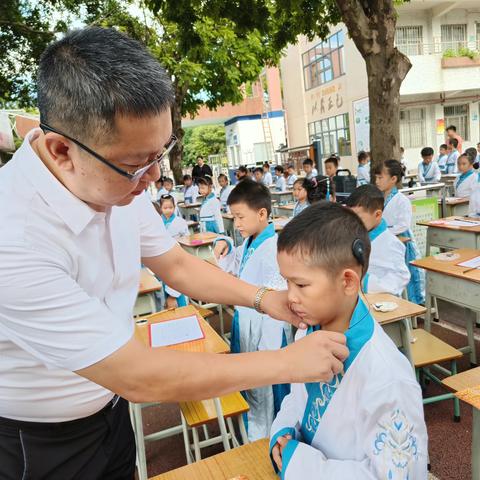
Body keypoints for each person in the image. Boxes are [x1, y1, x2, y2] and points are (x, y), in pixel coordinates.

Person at [0, 27, 351, 479]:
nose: (151, 178)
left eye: (160, 155)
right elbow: (138, 375)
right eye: (135, 165)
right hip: (39, 441)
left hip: (110, 412)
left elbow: (177, 264)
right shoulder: (14, 233)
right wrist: (288, 364)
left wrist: (267, 299)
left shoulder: (113, 181)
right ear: (62, 150)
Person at [270, 202, 427, 479]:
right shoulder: (309, 331)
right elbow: (298, 399)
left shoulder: (386, 377)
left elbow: (398, 475)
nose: (290, 297)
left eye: (301, 285)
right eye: (287, 283)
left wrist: (297, 462)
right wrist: (284, 431)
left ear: (348, 282)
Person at [213, 180, 293, 440]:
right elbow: (236, 260)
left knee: (265, 390)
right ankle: (253, 434)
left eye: (239, 217)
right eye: (233, 217)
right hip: (247, 322)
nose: (236, 224)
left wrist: (268, 351)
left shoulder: (272, 249)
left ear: (262, 214)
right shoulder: (252, 240)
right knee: (251, 386)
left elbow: (276, 300)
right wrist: (223, 241)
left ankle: (264, 439)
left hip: (264, 330)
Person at [346, 185, 410, 296]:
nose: (353, 223)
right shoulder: (357, 234)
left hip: (378, 302)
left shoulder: (391, 243)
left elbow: (401, 277)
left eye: (358, 218)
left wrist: (365, 283)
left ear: (377, 215)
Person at [375, 160, 424, 305]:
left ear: (393, 179)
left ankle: (411, 304)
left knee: (405, 272)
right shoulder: (379, 199)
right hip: (385, 239)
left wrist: (384, 232)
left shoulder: (402, 200)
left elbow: (403, 225)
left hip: (400, 240)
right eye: (376, 178)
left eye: (380, 177)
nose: (376, 181)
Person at [159, 194, 189, 308]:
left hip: (177, 255)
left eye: (170, 207)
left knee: (178, 284)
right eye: (165, 208)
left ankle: (183, 308)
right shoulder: (157, 222)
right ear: (160, 208)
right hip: (162, 258)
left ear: (174, 207)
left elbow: (187, 237)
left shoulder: (180, 222)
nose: (168, 210)